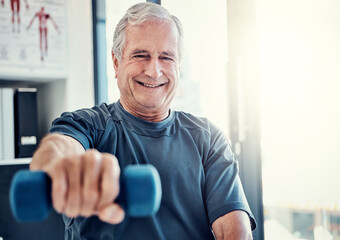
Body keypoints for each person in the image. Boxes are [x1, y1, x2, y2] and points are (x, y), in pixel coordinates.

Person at [30, 2, 256, 239]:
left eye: (166, 57)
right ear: (116, 63)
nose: (154, 71)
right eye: (141, 55)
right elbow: (59, 147)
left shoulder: (208, 138)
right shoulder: (88, 124)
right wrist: (62, 166)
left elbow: (234, 230)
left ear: (178, 66)